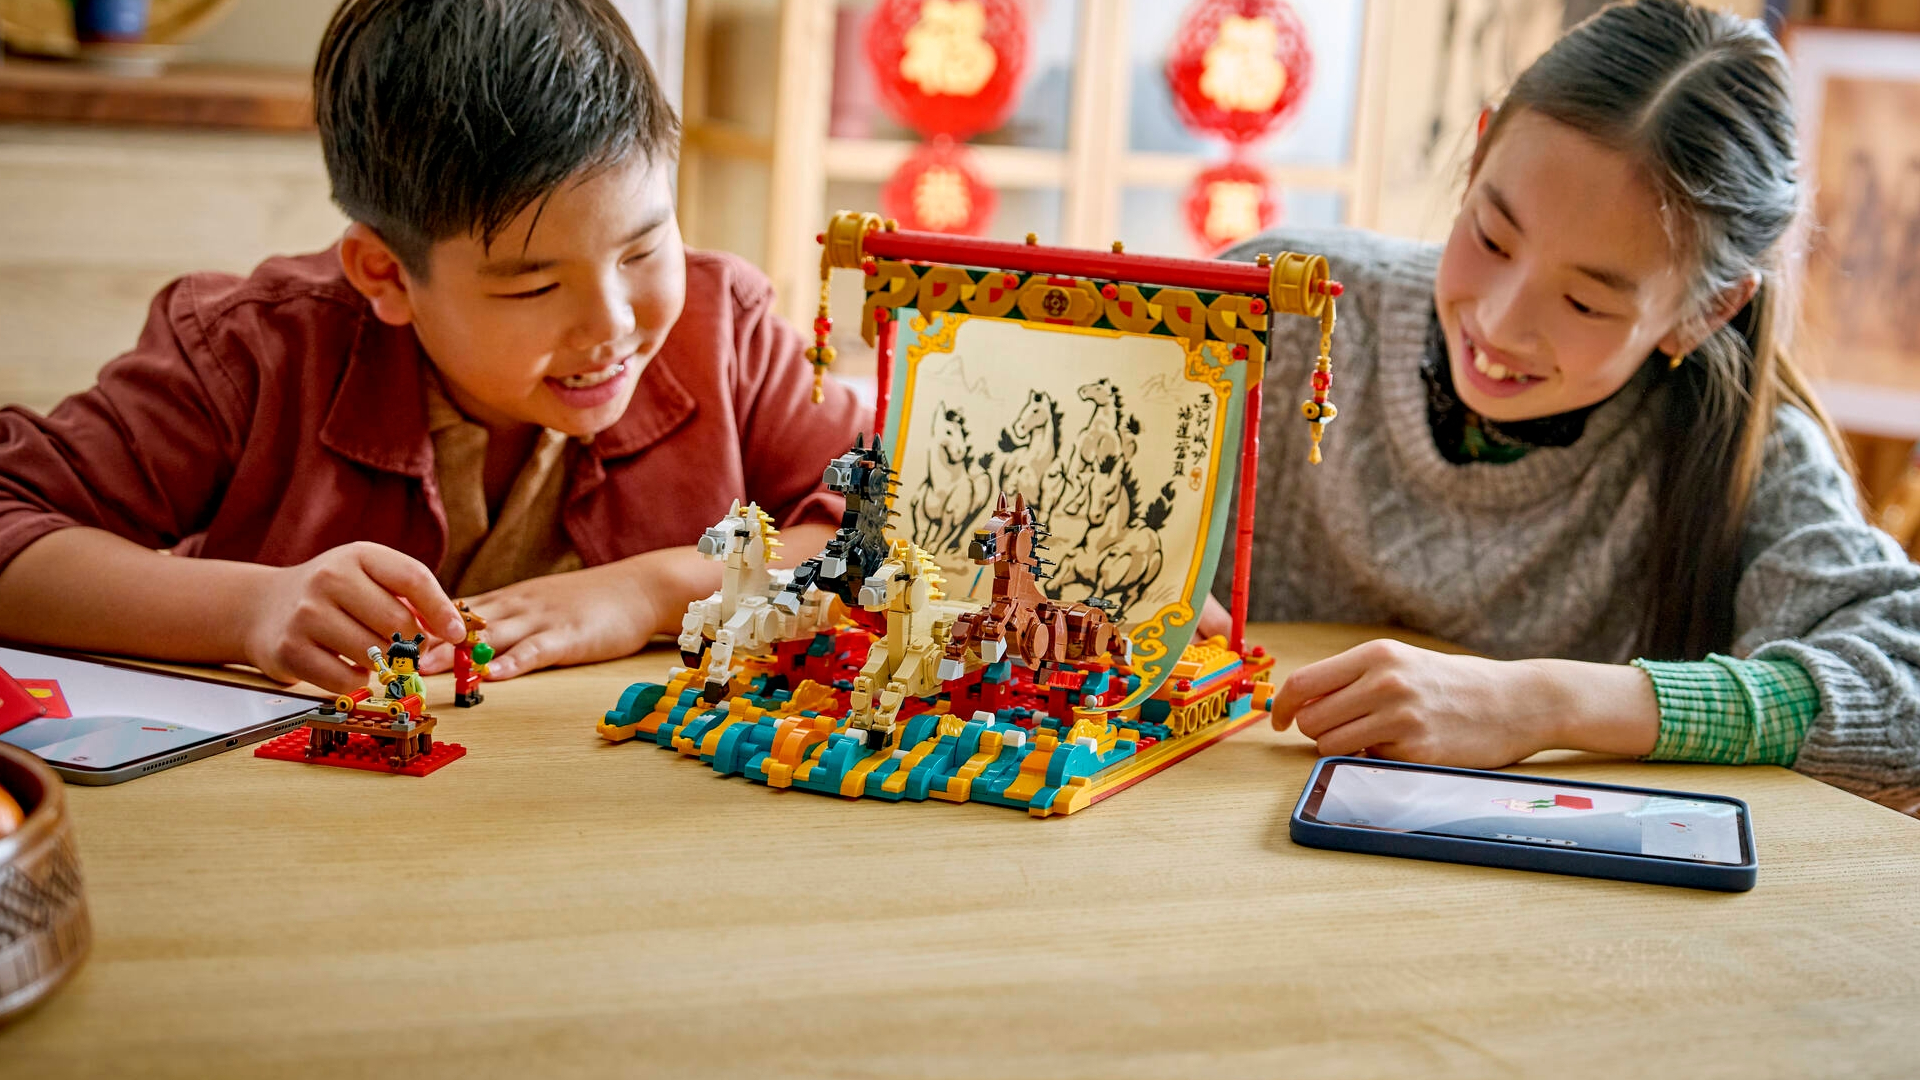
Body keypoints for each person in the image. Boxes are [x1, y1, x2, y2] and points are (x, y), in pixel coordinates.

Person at [0, 0, 865, 696]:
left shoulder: (727, 331)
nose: (611, 325)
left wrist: (653, 591)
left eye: (643, 250)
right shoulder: (252, 351)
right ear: (385, 274)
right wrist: (250, 608)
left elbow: (890, 529)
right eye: (533, 286)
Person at [1202, 0, 1920, 812]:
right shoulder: (1279, 307)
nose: (1500, 323)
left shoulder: (1748, 452)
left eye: (1585, 302)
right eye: (1492, 238)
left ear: (1705, 312)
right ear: (1478, 157)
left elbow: (1904, 699)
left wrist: (1543, 703)